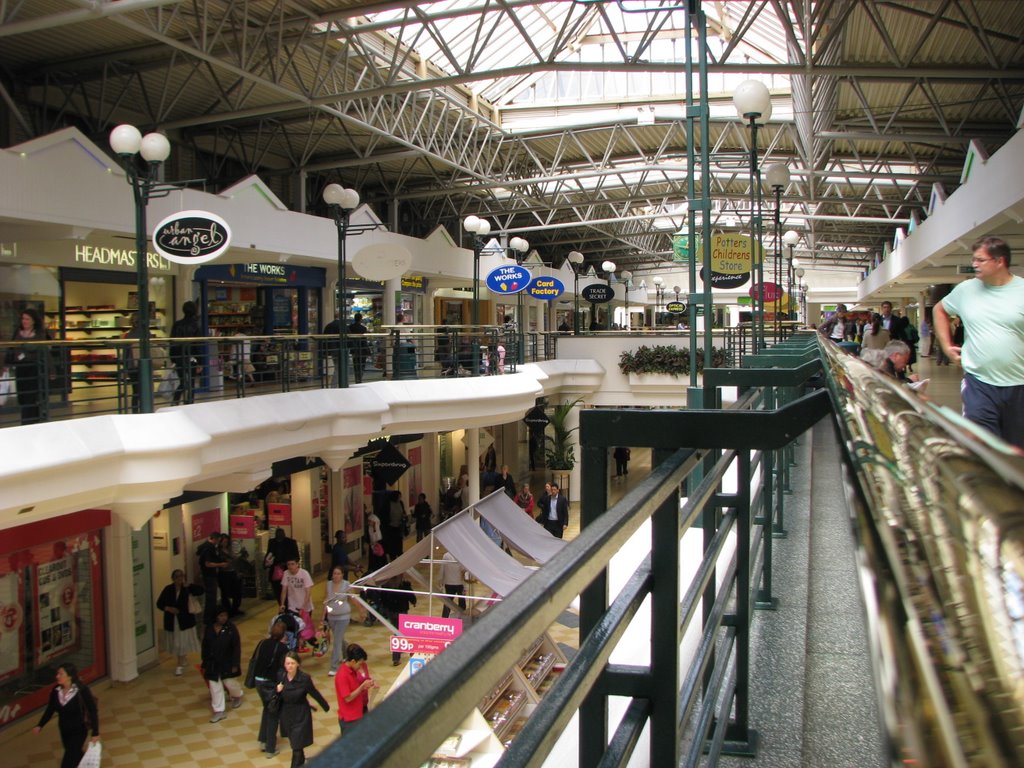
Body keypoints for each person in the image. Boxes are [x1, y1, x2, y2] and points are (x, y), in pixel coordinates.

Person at [933, 235, 1024, 447]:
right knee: (982, 446)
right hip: (979, 382)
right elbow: (939, 310)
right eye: (973, 259)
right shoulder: (966, 290)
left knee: (1015, 449)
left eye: (980, 260)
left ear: (1000, 261)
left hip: (1019, 384)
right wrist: (947, 347)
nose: (974, 264)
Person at [32, 663, 100, 768]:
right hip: (64, 730)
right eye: (57, 673)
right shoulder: (56, 691)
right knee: (74, 755)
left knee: (68, 761)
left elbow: (92, 711)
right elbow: (50, 709)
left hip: (79, 730)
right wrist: (40, 725)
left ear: (70, 676)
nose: (57, 676)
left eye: (61, 674)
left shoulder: (81, 690)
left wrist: (95, 732)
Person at [275, 651, 330, 767]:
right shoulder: (281, 676)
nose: (290, 666)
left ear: (298, 664)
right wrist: (277, 691)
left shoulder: (304, 678)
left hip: (301, 715)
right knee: (296, 746)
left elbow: (314, 692)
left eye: (292, 663)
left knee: (297, 748)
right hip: (287, 715)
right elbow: (277, 697)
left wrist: (325, 706)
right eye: (287, 663)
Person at [6, 307, 51, 425]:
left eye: (27, 319)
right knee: (22, 395)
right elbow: (11, 348)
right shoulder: (17, 332)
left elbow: (43, 350)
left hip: (34, 367)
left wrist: (51, 369)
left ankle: (32, 421)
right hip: (21, 367)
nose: (24, 321)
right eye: (23, 319)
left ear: (33, 321)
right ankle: (26, 421)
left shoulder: (40, 333)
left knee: (33, 395)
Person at [155, 568, 204, 676]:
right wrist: (169, 608)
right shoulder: (168, 589)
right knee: (177, 641)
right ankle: (182, 659)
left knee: (181, 641)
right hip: (173, 621)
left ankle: (180, 663)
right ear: (173, 578)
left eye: (181, 576)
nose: (179, 578)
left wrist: (189, 586)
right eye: (177, 576)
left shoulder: (187, 589)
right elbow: (159, 603)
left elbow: (200, 591)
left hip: (185, 621)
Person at [252, 619, 289, 757]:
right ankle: (270, 748)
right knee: (273, 712)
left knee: (267, 709)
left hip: (258, 681)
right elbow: (284, 668)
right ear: (283, 635)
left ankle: (263, 740)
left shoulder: (262, 643)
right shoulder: (282, 648)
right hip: (271, 684)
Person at [202, 608, 243, 722]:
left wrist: (235, 663)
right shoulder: (209, 629)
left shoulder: (231, 628)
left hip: (227, 662)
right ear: (216, 617)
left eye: (225, 615)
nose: (223, 618)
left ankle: (237, 694)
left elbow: (236, 647)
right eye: (221, 615)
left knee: (229, 682)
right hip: (212, 663)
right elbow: (205, 646)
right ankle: (219, 710)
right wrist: (204, 662)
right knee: (215, 687)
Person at [334, 643, 378, 736]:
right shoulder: (342, 675)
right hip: (350, 719)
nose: (360, 667)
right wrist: (362, 687)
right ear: (353, 661)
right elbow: (347, 698)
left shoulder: (352, 671)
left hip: (359, 713)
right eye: (359, 664)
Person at [324, 566, 356, 677]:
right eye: (334, 573)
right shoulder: (328, 584)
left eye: (338, 573)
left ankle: (334, 667)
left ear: (342, 574)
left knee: (336, 640)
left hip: (343, 617)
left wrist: (362, 609)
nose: (336, 576)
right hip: (332, 616)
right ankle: (348, 653)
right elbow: (326, 600)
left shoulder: (346, 584)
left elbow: (352, 598)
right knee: (339, 638)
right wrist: (323, 618)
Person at [170, 300, 202, 404]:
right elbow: (197, 345)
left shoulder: (177, 325)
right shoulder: (195, 326)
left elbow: (172, 342)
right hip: (191, 357)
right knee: (191, 383)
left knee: (183, 381)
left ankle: (176, 400)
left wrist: (173, 358)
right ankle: (189, 403)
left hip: (179, 357)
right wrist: (199, 361)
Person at [381, 574, 417, 665]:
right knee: (402, 632)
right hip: (401, 611)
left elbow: (383, 599)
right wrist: (413, 602)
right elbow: (411, 596)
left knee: (397, 632)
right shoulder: (404, 585)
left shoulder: (386, 585)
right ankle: (399, 656)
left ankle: (400, 653)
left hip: (391, 612)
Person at [197, 531, 228, 625]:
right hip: (209, 575)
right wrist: (220, 564)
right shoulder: (209, 548)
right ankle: (209, 618)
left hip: (206, 575)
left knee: (210, 597)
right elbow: (208, 563)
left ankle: (208, 617)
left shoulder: (203, 547)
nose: (218, 543)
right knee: (211, 598)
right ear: (215, 539)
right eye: (218, 541)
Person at [265, 527, 299, 604]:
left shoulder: (291, 542)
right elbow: (269, 554)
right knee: (278, 592)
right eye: (278, 534)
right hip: (275, 572)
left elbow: (296, 557)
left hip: (287, 570)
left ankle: (288, 607)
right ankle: (282, 606)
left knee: (288, 592)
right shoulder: (272, 542)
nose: (279, 536)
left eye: (281, 534)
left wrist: (286, 563)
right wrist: (267, 562)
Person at [217, 533, 244, 617]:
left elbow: (235, 561)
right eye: (223, 541)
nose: (225, 543)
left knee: (237, 592)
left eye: (226, 541)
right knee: (225, 593)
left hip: (233, 572)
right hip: (224, 573)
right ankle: (228, 610)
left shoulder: (230, 550)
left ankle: (235, 608)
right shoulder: (218, 552)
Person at [441, 551, 466, 619]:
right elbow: (463, 570)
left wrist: (441, 581)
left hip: (448, 582)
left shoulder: (445, 555)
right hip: (459, 583)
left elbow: (442, 569)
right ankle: (461, 619)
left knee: (448, 602)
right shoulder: (461, 554)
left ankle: (444, 618)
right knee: (462, 602)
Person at [383, 490, 407, 560]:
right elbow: (385, 515)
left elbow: (403, 511)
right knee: (392, 544)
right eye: (398, 497)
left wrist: (404, 516)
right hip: (391, 527)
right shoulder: (388, 504)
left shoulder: (400, 503)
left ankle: (399, 555)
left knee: (399, 543)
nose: (400, 498)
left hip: (399, 526)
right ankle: (392, 556)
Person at [348, 312, 370, 384]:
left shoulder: (350, 327)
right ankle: (360, 378)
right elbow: (365, 340)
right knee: (362, 364)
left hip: (354, 348)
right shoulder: (363, 328)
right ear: (361, 319)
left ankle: (356, 378)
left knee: (355, 363)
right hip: (363, 348)